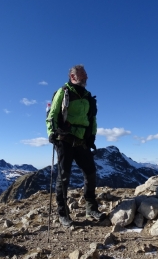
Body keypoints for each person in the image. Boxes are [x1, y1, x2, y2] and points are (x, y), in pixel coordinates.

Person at [46, 64, 106, 227]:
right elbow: (52, 115)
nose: (86, 77)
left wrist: (92, 135)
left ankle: (91, 208)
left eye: (85, 75)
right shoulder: (63, 92)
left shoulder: (88, 97)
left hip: (81, 140)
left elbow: (92, 119)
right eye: (82, 75)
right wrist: (52, 133)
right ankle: (62, 213)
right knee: (63, 176)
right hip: (64, 139)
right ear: (73, 77)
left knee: (90, 172)